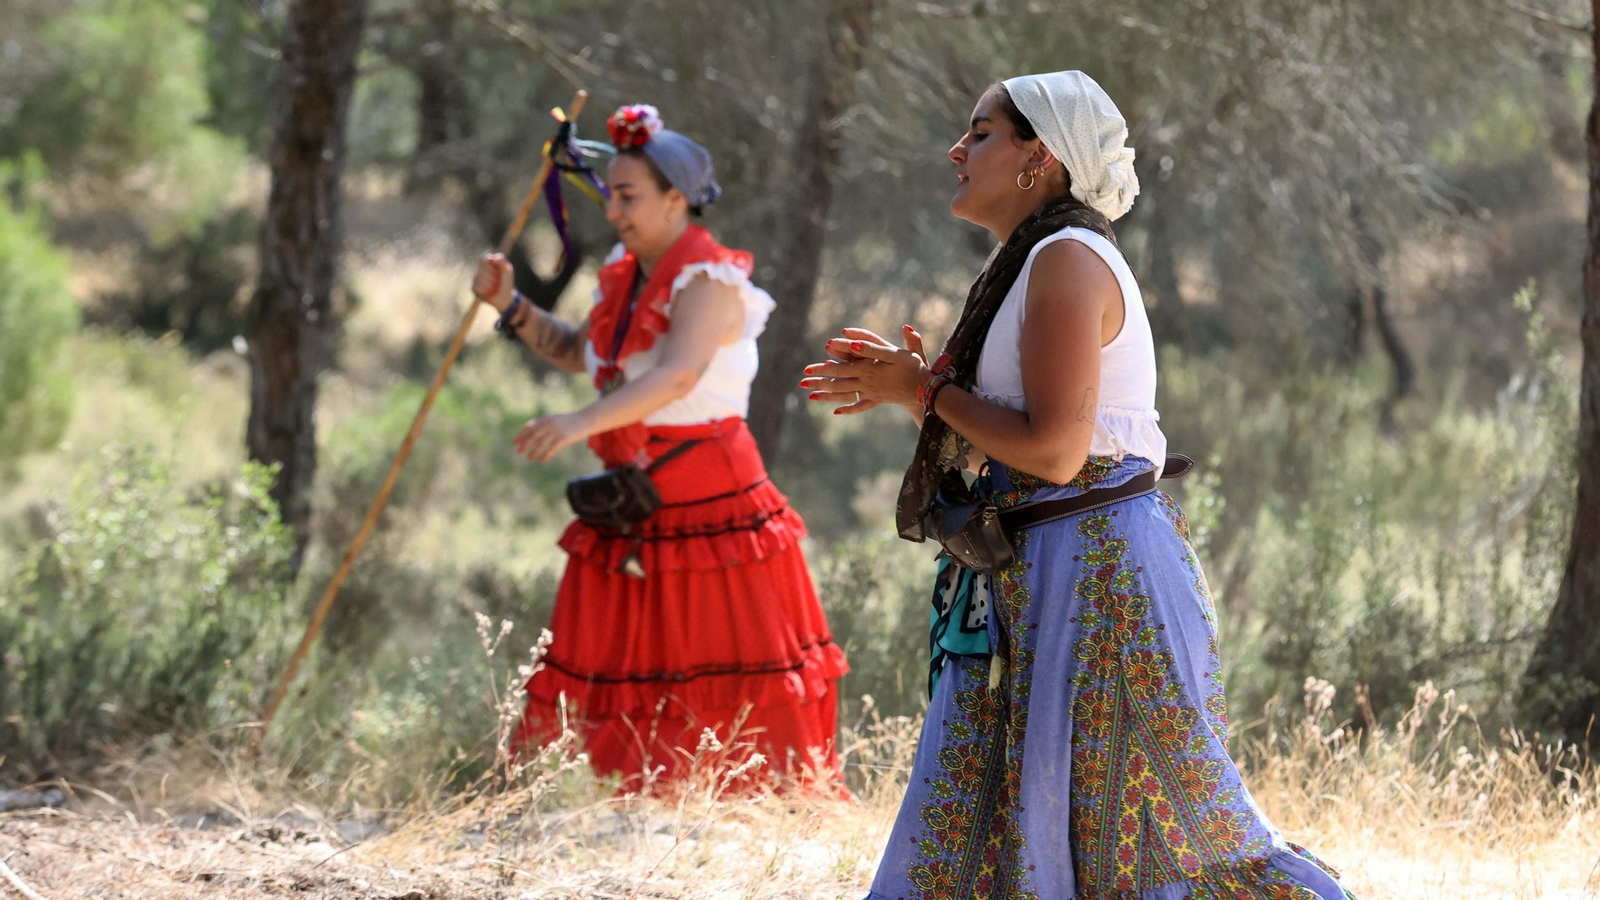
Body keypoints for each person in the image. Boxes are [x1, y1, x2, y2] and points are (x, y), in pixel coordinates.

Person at [802, 72, 1353, 898]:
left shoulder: (1066, 260)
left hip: (1099, 585)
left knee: (1148, 833)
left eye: (979, 133)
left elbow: (1056, 453)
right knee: (1026, 827)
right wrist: (915, 391)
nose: (957, 150)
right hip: (1051, 573)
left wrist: (922, 391)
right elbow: (1026, 443)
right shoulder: (1034, 262)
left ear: (1039, 157)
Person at [474, 104, 847, 793]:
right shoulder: (626, 273)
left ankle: (748, 807)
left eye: (628, 195)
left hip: (712, 499)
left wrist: (579, 423)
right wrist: (512, 305)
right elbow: (582, 354)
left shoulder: (707, 279)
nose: (612, 209)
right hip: (632, 499)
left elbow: (678, 373)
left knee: (727, 656)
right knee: (608, 649)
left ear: (677, 199)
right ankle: (583, 792)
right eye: (609, 193)